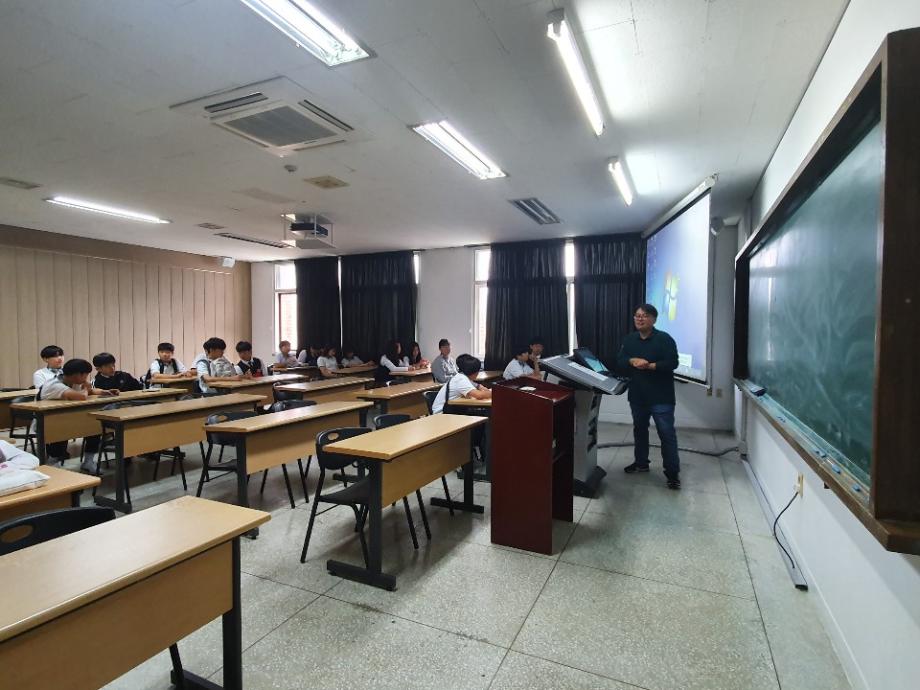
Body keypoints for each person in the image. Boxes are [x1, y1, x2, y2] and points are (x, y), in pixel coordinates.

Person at [616, 303, 681, 490]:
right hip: (638, 396)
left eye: (644, 316)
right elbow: (619, 361)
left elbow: (673, 363)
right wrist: (631, 360)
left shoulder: (664, 339)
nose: (639, 319)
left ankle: (672, 474)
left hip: (661, 397)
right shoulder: (629, 339)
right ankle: (641, 463)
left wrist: (651, 366)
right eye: (637, 315)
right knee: (639, 430)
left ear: (653, 319)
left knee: (666, 434)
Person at [37, 358, 117, 472]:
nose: (86, 378)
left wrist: (105, 392)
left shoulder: (73, 381)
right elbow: (81, 396)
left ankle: (88, 462)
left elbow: (90, 391)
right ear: (77, 375)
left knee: (93, 427)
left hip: (67, 417)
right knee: (60, 431)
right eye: (85, 375)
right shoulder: (54, 385)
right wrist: (86, 388)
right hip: (48, 421)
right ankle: (53, 463)